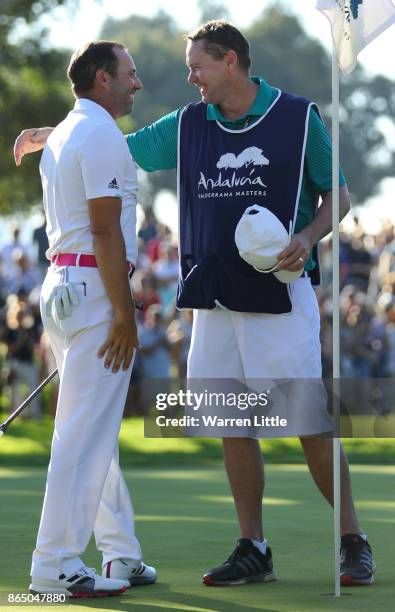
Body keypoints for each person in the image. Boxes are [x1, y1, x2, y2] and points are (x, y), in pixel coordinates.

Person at [14, 21, 375, 588]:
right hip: (211, 296)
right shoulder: (187, 122)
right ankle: (253, 546)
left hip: (280, 293)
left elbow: (340, 193)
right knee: (234, 423)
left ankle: (352, 539)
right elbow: (112, 145)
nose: (190, 78)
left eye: (197, 66)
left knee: (307, 418)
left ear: (230, 61)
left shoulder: (298, 117)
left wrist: (308, 237)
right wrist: (55, 131)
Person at [15, 41, 156, 597]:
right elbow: (104, 233)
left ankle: (119, 554)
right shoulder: (97, 134)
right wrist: (124, 313)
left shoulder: (76, 128)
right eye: (131, 72)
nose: (137, 83)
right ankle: (55, 562)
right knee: (83, 433)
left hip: (65, 287)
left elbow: (75, 143)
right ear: (103, 79)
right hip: (94, 289)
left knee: (93, 429)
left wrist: (41, 134)